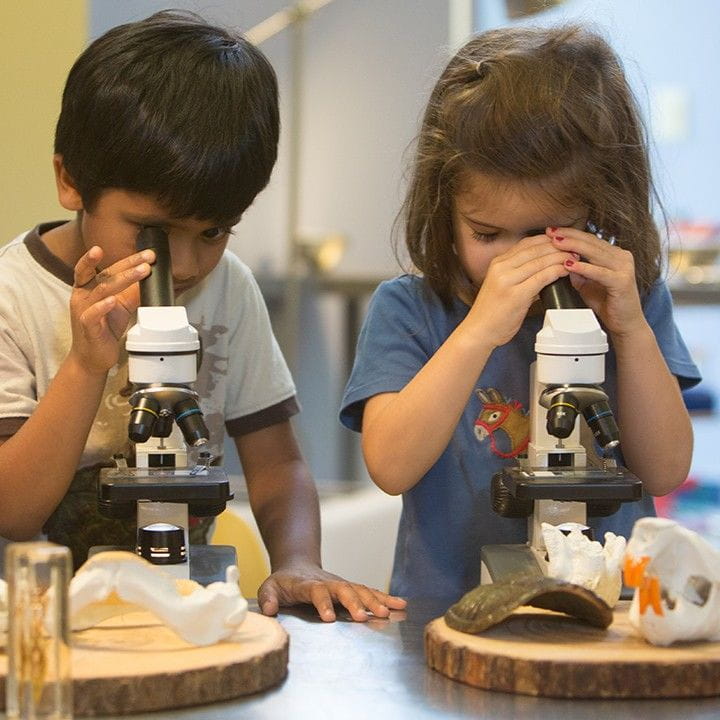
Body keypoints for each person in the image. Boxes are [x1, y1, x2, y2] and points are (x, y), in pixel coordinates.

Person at [0, 10, 405, 622]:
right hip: (46, 617)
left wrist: (297, 560)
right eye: (154, 231)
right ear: (70, 181)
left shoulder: (229, 287)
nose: (186, 265)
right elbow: (12, 511)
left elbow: (278, 464)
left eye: (215, 230)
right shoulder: (12, 295)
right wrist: (87, 366)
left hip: (181, 605)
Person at [340, 24, 701, 599]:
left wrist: (629, 328)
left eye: (544, 232)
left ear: (602, 212)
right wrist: (478, 331)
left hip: (604, 612)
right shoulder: (411, 310)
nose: (518, 260)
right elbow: (390, 465)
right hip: (446, 619)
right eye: (488, 234)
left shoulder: (633, 304)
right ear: (444, 210)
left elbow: (663, 470)